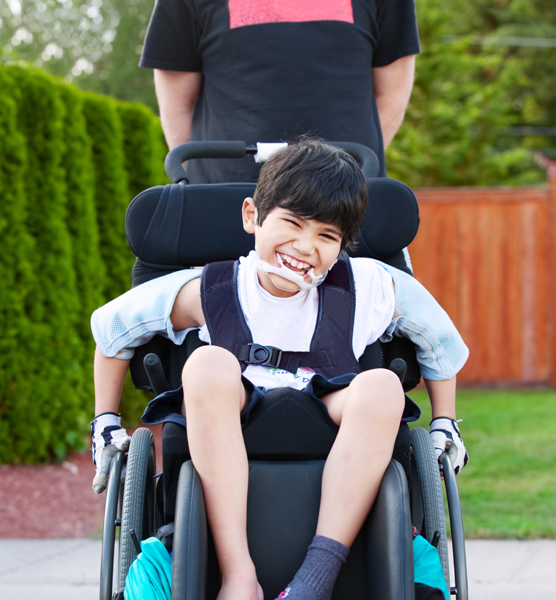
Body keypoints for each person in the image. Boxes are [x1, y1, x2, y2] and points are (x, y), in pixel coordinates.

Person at [91, 141, 468, 600]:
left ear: (343, 244)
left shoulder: (369, 285)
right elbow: (112, 330)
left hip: (329, 412)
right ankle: (238, 574)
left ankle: (314, 581)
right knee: (207, 363)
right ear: (252, 216)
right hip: (234, 415)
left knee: (384, 386)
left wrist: (445, 421)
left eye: (327, 236)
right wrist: (105, 421)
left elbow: (440, 342)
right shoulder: (212, 286)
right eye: (292, 223)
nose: (305, 246)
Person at [139, 0, 420, 183]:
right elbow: (178, 107)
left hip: (349, 203)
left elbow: (391, 98)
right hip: (226, 206)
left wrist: (341, 175)